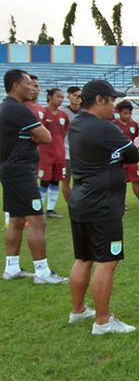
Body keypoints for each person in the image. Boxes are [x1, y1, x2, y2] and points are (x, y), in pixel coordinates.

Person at [68, 79, 139, 334]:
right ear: (100, 100)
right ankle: (102, 321)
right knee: (107, 262)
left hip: (81, 200)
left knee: (83, 258)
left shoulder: (77, 124)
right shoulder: (104, 128)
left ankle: (77, 310)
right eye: (112, 102)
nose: (114, 108)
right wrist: (117, 155)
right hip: (103, 205)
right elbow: (132, 154)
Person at [1, 69, 67, 284]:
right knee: (37, 221)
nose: (32, 87)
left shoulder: (6, 107)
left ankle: (11, 268)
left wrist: (33, 136)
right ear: (15, 85)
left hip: (10, 170)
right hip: (20, 172)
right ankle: (43, 273)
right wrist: (36, 136)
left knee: (17, 220)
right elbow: (46, 137)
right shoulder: (19, 110)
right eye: (28, 83)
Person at [113, 100, 139, 209]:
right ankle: (120, 204)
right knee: (120, 182)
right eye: (125, 113)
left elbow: (134, 137)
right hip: (118, 158)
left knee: (136, 180)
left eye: (129, 113)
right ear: (119, 113)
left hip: (131, 158)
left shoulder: (133, 124)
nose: (127, 115)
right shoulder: (114, 124)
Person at [38, 88, 69, 219]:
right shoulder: (42, 113)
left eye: (62, 97)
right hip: (45, 154)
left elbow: (64, 132)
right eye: (58, 96)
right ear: (50, 97)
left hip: (60, 153)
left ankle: (50, 209)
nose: (61, 99)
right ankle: (38, 210)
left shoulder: (64, 115)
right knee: (44, 181)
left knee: (56, 181)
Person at [61, 86, 81, 203]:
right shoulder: (63, 113)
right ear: (68, 96)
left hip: (81, 153)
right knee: (65, 180)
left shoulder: (85, 112)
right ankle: (70, 204)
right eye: (74, 95)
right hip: (66, 152)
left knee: (79, 181)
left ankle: (78, 203)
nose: (77, 98)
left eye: (79, 96)